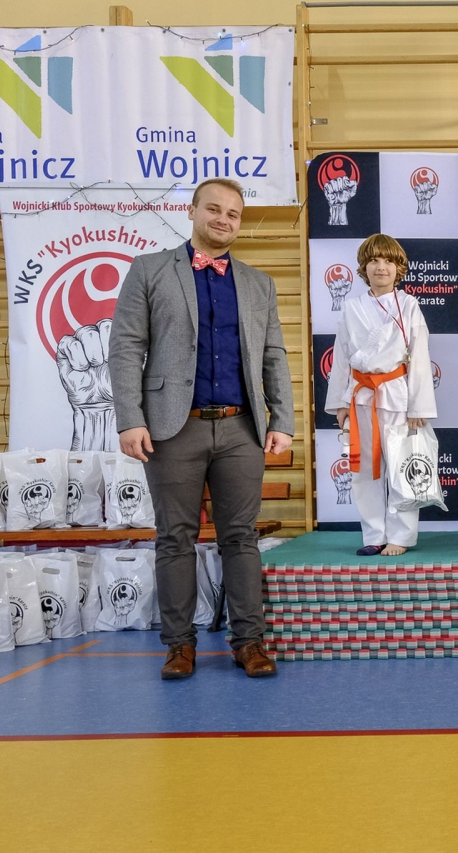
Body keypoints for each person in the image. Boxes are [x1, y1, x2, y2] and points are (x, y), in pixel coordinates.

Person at [110, 178, 294, 680]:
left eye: (233, 213)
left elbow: (273, 355)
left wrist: (283, 420)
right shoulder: (148, 269)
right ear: (191, 211)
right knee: (175, 538)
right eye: (213, 209)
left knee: (241, 538)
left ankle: (249, 642)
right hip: (172, 430)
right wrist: (130, 418)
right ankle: (179, 646)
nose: (223, 219)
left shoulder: (259, 283)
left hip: (241, 430)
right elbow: (125, 347)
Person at [325, 234, 436, 556]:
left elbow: (419, 356)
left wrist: (419, 406)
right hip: (361, 396)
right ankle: (374, 534)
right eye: (374, 260)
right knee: (364, 470)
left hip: (398, 395)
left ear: (398, 268)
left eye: (388, 261)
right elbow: (341, 356)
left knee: (402, 465)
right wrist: (340, 403)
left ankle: (401, 536)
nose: (381, 267)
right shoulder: (351, 307)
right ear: (364, 267)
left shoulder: (409, 305)